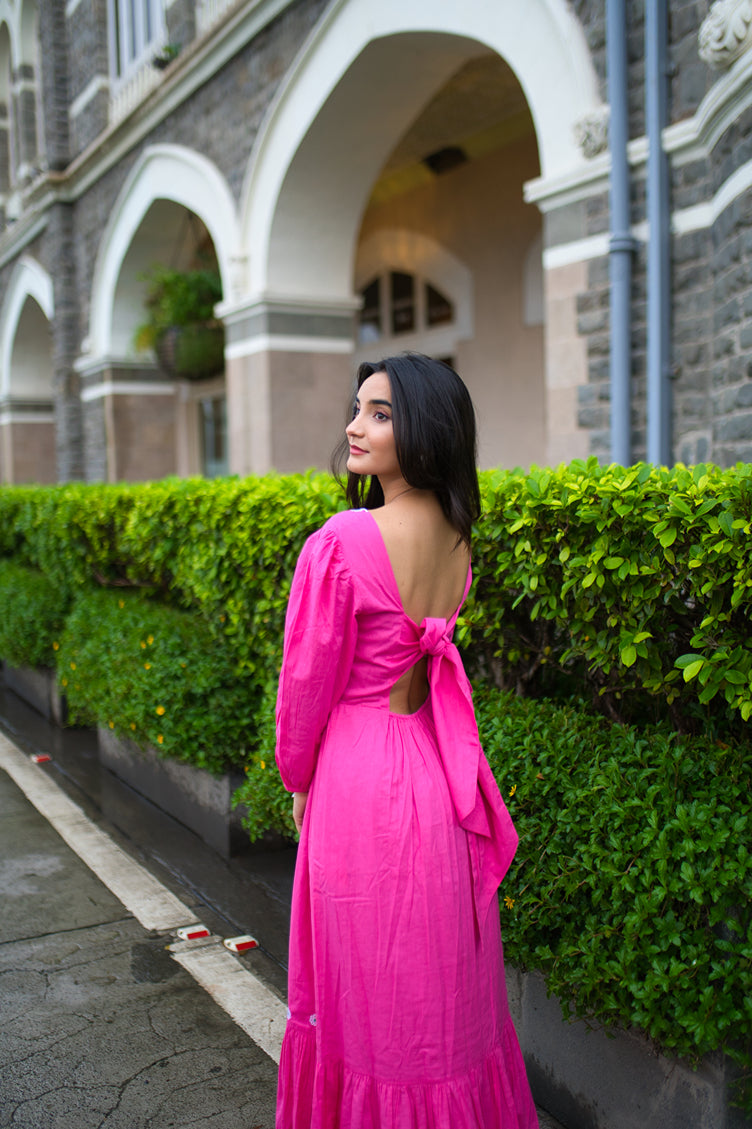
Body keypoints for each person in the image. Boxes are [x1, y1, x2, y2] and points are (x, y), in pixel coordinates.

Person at [275, 353, 538, 1128]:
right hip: (437, 773)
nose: (354, 426)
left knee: (366, 995)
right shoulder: (458, 540)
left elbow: (304, 692)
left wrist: (297, 780)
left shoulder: (344, 539)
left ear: (425, 427)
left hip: (360, 784)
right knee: (438, 994)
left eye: (380, 413)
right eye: (357, 408)